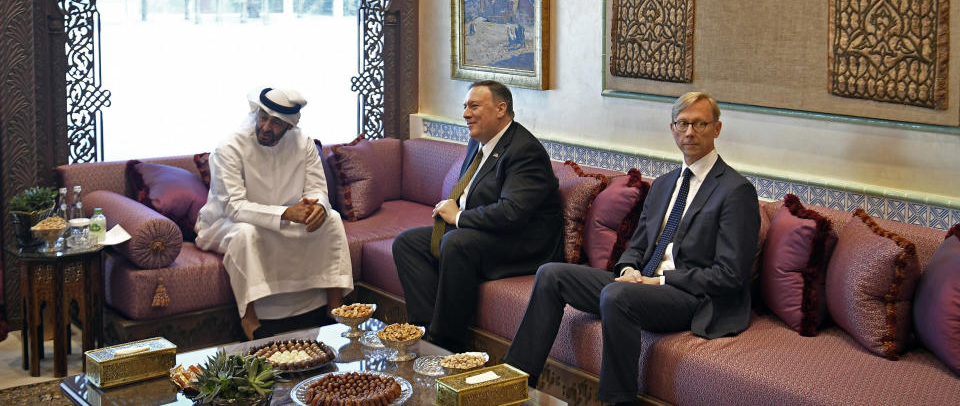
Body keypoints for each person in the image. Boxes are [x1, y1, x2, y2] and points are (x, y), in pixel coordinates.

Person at [503, 92, 760, 404]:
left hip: (693, 297)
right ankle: (513, 384)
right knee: (551, 275)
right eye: (683, 124)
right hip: (643, 285)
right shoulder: (665, 184)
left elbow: (730, 274)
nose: (690, 132)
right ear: (673, 128)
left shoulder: (736, 191)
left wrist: (661, 281)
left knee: (617, 294)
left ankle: (619, 400)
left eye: (700, 124)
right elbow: (636, 245)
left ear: (717, 129)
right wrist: (628, 269)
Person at [392, 80, 562, 352]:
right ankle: (425, 333)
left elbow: (511, 213)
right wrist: (453, 209)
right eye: (465, 107)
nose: (465, 114)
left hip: (523, 243)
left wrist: (458, 218)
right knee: (407, 243)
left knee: (456, 243)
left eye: (474, 106)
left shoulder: (524, 151)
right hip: (486, 232)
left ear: (501, 109)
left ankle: (447, 343)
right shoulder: (478, 141)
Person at [195, 87, 353, 340]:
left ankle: (335, 306)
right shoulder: (230, 146)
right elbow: (234, 206)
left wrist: (319, 207)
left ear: (289, 127)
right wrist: (286, 213)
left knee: (331, 218)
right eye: (263, 117)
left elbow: (316, 189)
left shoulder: (303, 142)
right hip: (224, 223)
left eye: (276, 123)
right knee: (246, 234)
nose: (266, 126)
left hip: (284, 218)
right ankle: (250, 319)